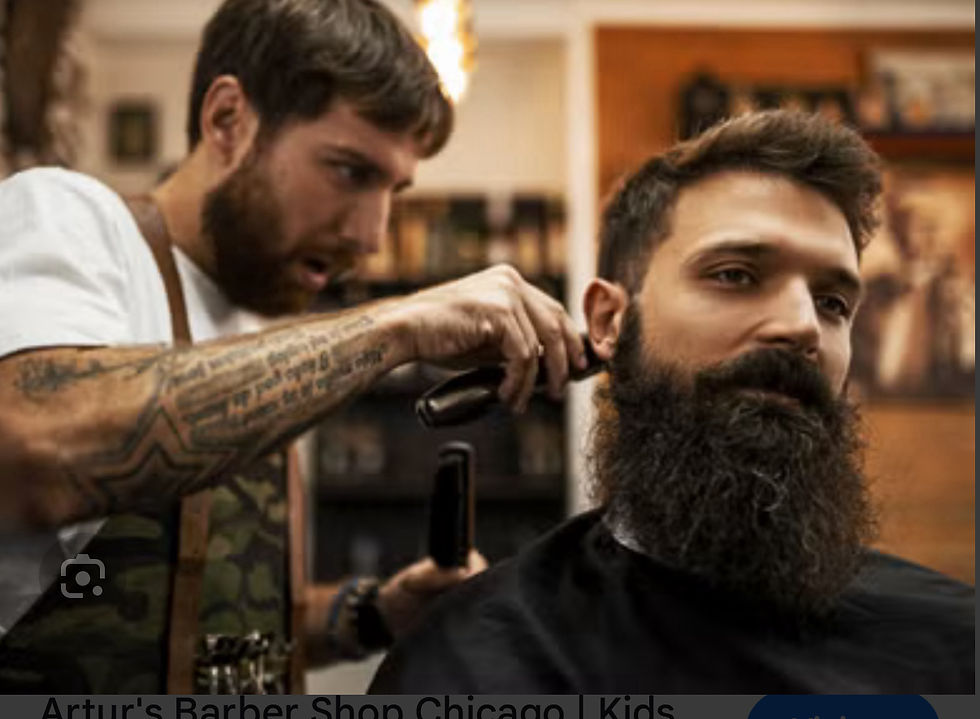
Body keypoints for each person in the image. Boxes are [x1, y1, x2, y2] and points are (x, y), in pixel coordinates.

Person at [0, 0, 586, 693]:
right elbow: (31, 450)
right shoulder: (71, 220)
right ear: (227, 119)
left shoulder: (252, 333)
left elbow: (209, 622)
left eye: (394, 188)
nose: (371, 236)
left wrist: (372, 611)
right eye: (348, 170)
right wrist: (395, 324)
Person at [368, 110, 976, 694]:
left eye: (833, 303)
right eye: (735, 274)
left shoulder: (953, 647)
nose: (803, 328)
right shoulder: (476, 663)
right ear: (608, 320)